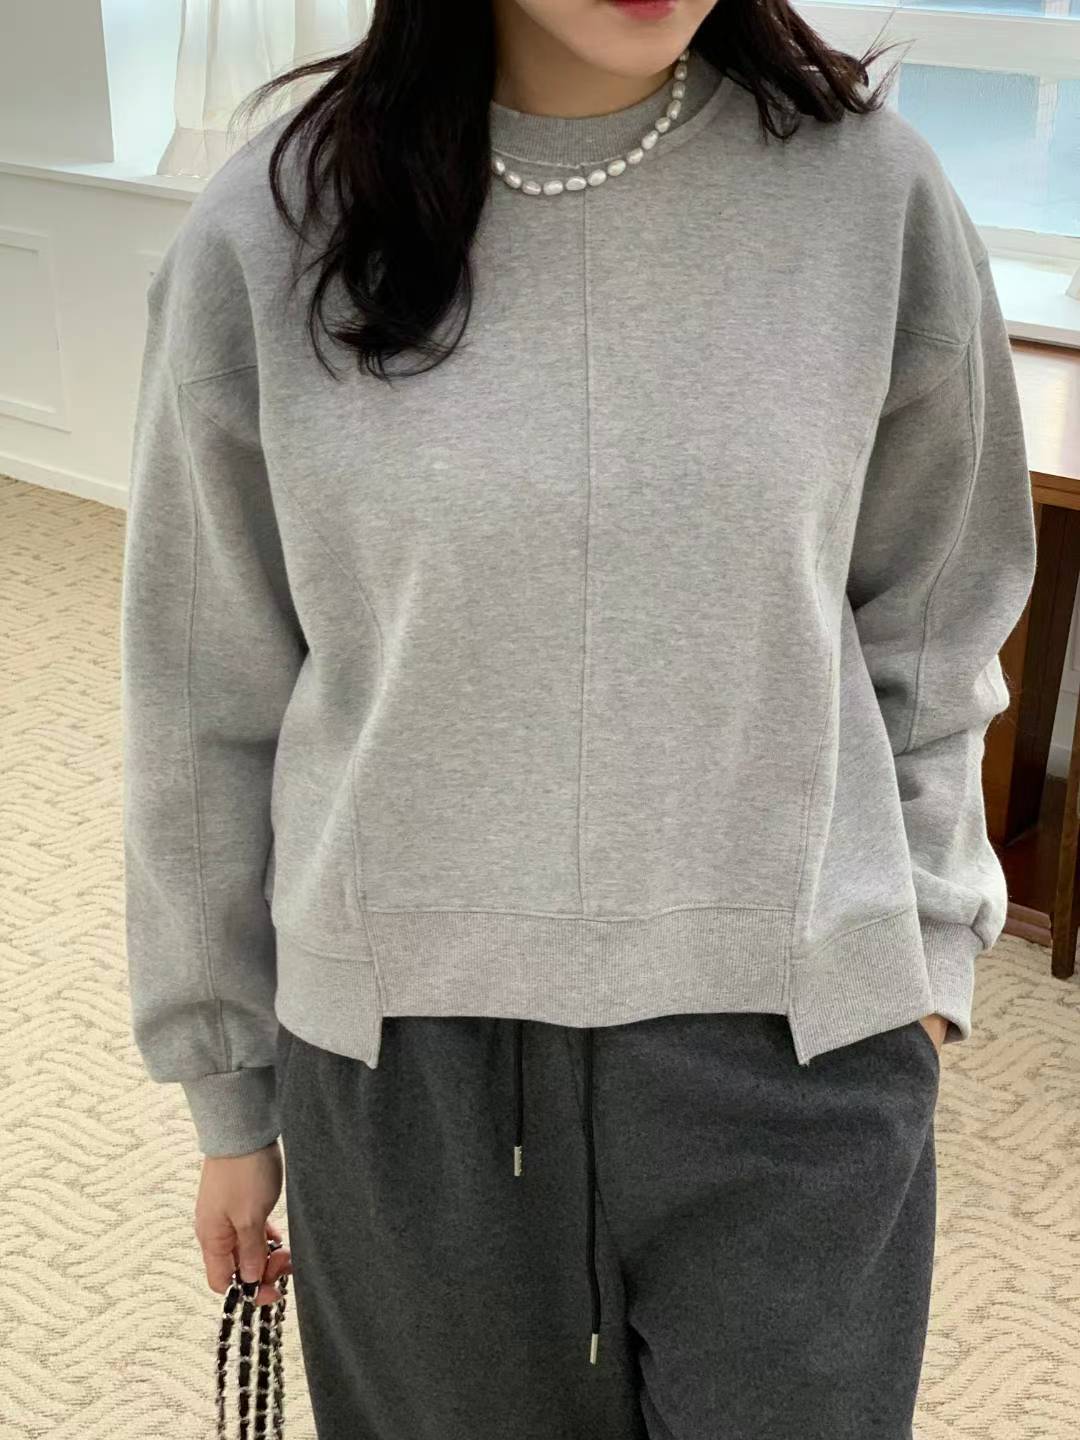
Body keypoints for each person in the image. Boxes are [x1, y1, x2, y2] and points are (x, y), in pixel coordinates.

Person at [119, 0, 1038, 1435]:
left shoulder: (875, 199)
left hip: (801, 1048)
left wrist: (919, 960)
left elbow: (935, 618)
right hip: (410, 1067)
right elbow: (202, 696)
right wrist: (227, 1085)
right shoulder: (271, 230)